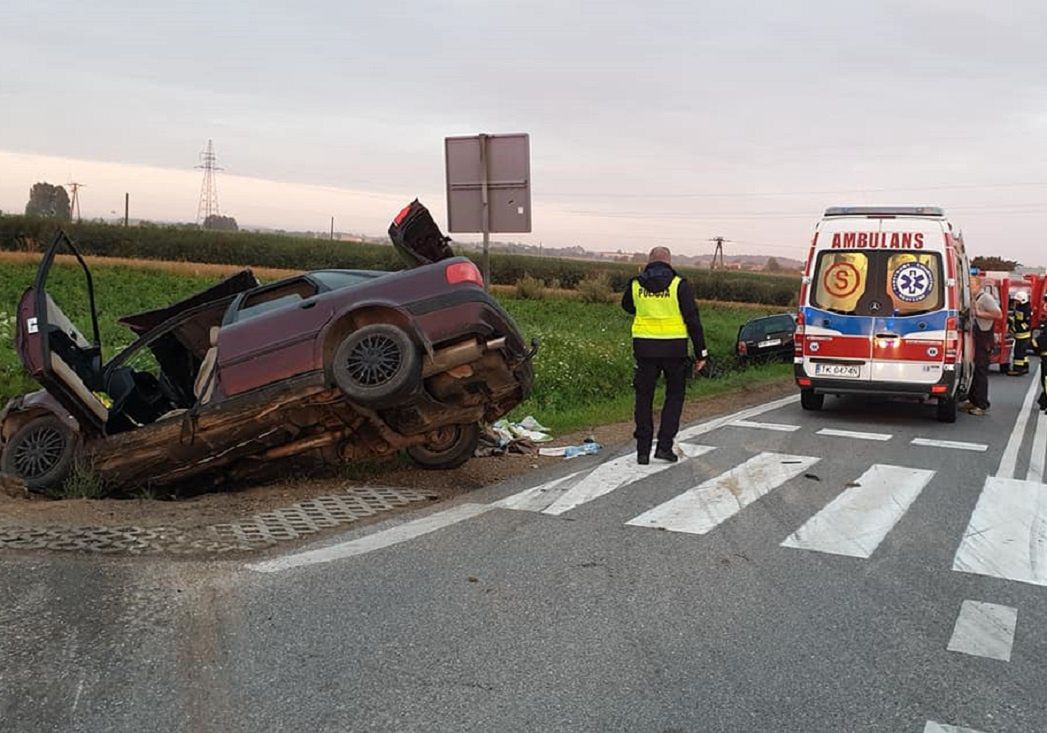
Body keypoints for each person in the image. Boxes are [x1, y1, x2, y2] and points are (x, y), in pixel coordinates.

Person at [621, 247, 707, 464]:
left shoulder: (635, 283)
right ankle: (664, 447)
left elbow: (627, 306)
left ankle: (642, 452)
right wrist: (701, 353)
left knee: (643, 398)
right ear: (668, 261)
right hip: (674, 350)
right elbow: (693, 320)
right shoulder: (679, 284)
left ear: (650, 261)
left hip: (644, 349)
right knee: (674, 397)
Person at [962, 276, 1002, 416]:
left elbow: (998, 314)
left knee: (980, 371)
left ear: (979, 286)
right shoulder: (971, 299)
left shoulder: (985, 298)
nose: (969, 287)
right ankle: (973, 400)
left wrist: (979, 313)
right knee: (973, 370)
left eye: (972, 285)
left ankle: (982, 404)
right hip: (975, 339)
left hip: (983, 339)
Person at [1008, 290, 1032, 376]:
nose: (1015, 302)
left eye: (1017, 300)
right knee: (1023, 352)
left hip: (1023, 335)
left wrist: (1018, 329)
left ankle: (1018, 369)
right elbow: (1016, 318)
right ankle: (1025, 367)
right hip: (1020, 334)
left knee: (1019, 352)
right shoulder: (1020, 307)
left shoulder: (1025, 309)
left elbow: (1027, 323)